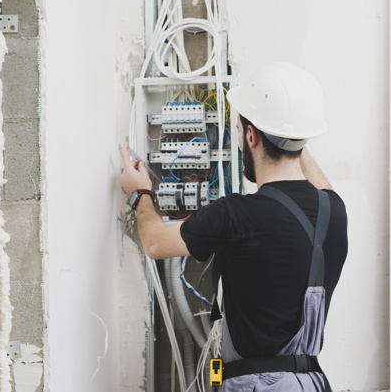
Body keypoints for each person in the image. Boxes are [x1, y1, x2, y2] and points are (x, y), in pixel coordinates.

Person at [120, 62, 348, 391]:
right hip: (312, 382)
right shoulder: (334, 213)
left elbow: (154, 243)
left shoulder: (236, 214)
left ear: (252, 136)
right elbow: (321, 187)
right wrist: (290, 128)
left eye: (240, 130)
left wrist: (140, 191)